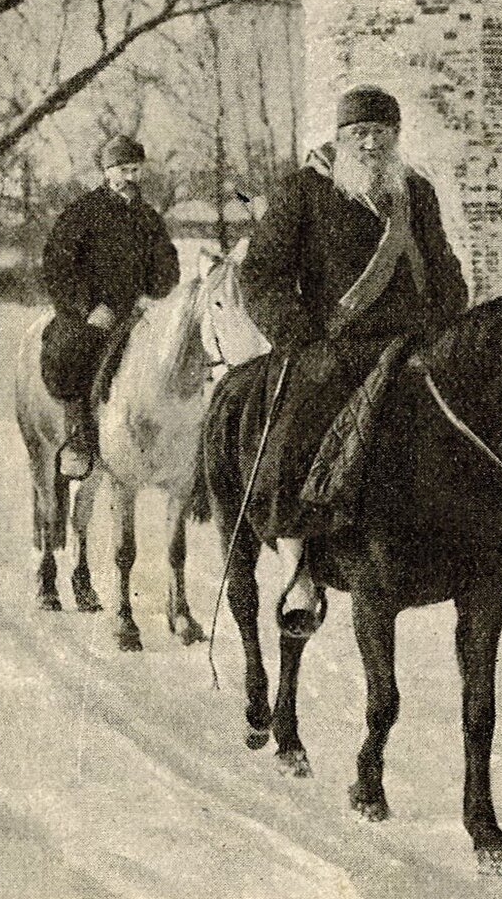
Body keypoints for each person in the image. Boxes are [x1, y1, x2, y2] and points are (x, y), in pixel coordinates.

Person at [237, 85, 469, 637]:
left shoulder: (416, 192)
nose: (370, 144)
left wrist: (445, 320)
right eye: (358, 134)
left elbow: (444, 269)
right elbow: (261, 276)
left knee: (473, 417)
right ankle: (299, 564)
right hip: (332, 347)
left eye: (381, 134)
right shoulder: (302, 192)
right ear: (340, 139)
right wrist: (300, 337)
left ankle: (501, 542)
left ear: (395, 138)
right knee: (296, 427)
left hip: (412, 345)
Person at [40, 135, 180, 477]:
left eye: (135, 170)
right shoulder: (82, 213)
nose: (130, 177)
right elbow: (58, 267)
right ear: (106, 172)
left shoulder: (149, 218)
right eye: (122, 170)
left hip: (136, 312)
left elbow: (167, 267)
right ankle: (78, 436)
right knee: (72, 352)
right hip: (91, 313)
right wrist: (89, 307)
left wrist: (157, 291)